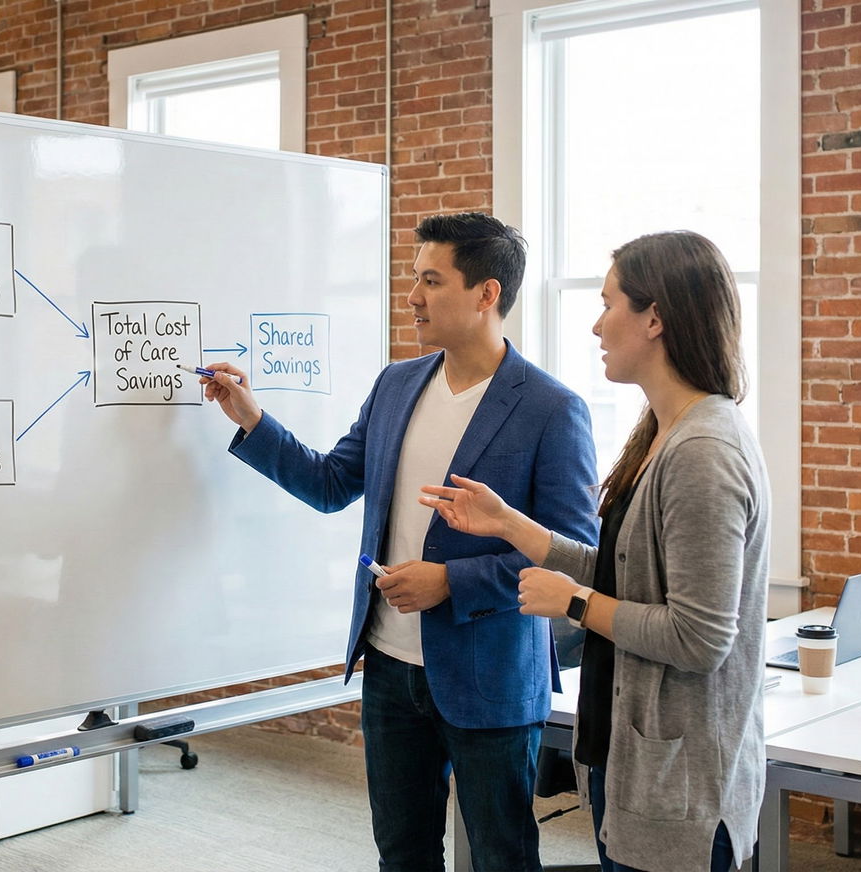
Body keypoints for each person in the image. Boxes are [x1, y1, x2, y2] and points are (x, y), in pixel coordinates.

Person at [197, 212, 598, 871]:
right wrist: (252, 417)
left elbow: (572, 551)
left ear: (486, 293)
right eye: (415, 278)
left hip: (492, 674)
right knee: (402, 854)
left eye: (431, 280)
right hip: (388, 669)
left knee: (502, 856)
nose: (412, 295)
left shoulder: (552, 409)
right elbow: (330, 483)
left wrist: (451, 582)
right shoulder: (396, 385)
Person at [419, 230, 768, 872]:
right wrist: (513, 528)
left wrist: (575, 604)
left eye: (609, 304)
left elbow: (700, 636)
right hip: (640, 766)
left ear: (655, 318)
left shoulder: (703, 455)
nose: (595, 324)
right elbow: (626, 576)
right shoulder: (667, 433)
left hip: (680, 782)